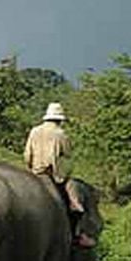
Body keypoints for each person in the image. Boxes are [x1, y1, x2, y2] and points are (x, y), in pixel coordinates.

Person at [24, 102, 92, 246]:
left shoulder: (34, 131)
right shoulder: (60, 134)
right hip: (52, 174)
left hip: (35, 172)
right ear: (59, 119)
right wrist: (65, 173)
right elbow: (67, 157)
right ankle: (76, 234)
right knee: (75, 203)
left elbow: (27, 154)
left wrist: (31, 167)